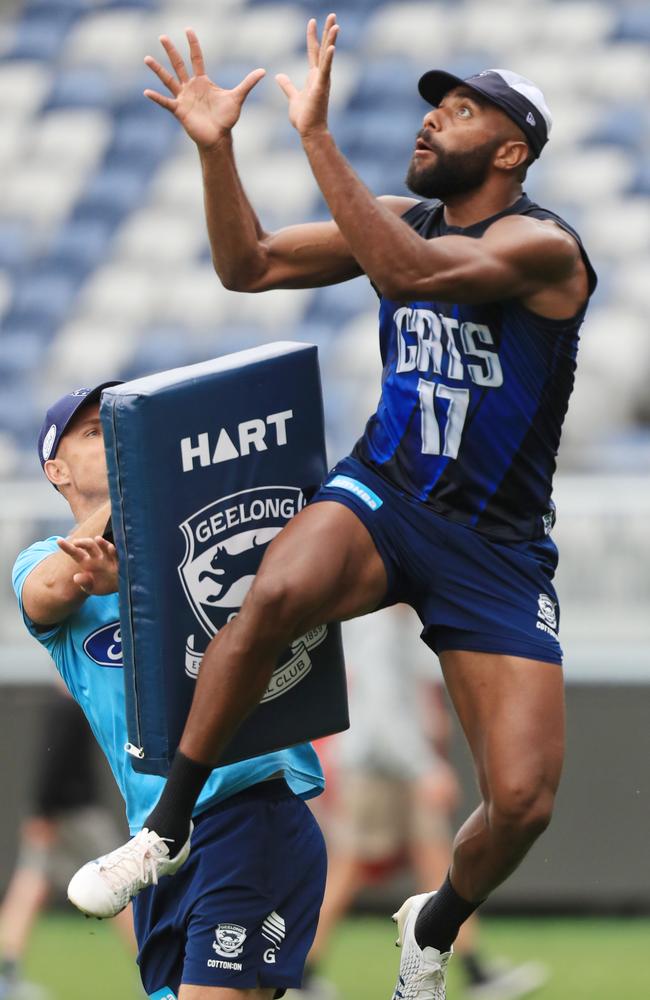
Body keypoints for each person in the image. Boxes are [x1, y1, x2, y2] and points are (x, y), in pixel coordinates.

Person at [67, 15, 597, 1000]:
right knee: (272, 593)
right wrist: (216, 149)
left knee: (521, 801)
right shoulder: (406, 216)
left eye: (461, 111)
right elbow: (247, 264)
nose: (432, 121)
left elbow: (406, 274)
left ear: (511, 150)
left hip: (494, 546)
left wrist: (314, 137)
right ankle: (165, 829)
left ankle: (429, 925)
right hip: (385, 496)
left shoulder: (540, 245)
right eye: (434, 106)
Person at [12, 384, 327, 1000]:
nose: (114, 438)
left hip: (245, 810)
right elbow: (46, 592)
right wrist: (119, 528)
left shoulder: (194, 538)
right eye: (93, 433)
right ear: (55, 470)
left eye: (121, 428)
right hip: (154, 842)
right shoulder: (38, 559)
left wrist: (140, 553)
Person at [294, 607, 548, 1000]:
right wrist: (424, 768)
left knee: (437, 863)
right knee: (351, 866)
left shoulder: (399, 623)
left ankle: (475, 969)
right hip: (379, 767)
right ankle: (300, 970)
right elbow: (381, 711)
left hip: (396, 765)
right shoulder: (380, 627)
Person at [0, 687, 137, 1000]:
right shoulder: (67, 706)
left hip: (56, 813)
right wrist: (42, 813)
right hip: (76, 815)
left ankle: (8, 975)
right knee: (126, 885)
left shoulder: (70, 702)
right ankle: (152, 971)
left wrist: (40, 811)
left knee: (30, 886)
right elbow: (52, 763)